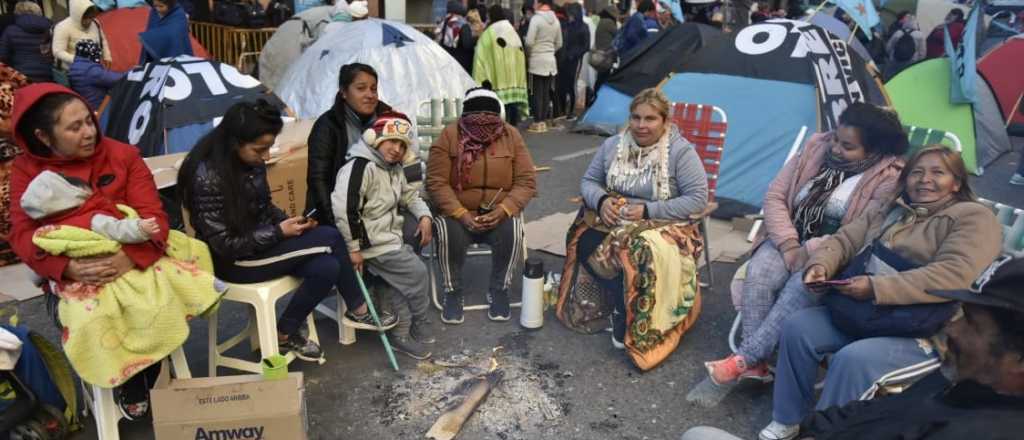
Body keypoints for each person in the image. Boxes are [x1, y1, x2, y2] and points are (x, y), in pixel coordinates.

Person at [757, 145, 1002, 440]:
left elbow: (955, 274)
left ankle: (827, 434)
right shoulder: (893, 206)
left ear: (957, 183)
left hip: (925, 330)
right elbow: (846, 238)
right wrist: (821, 264)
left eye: (938, 172)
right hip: (867, 313)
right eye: (917, 172)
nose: (925, 180)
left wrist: (875, 287)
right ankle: (788, 420)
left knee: (853, 360)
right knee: (798, 328)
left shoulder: (973, 218)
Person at [681, 256, 1024, 440]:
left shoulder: (983, 429)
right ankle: (786, 419)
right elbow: (868, 414)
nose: (952, 329)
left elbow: (946, 275)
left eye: (972, 325)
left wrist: (877, 285)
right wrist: (815, 429)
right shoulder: (961, 380)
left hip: (899, 314)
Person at [8, 84, 183, 419]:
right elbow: (22, 235)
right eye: (75, 128)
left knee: (154, 301)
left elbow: (154, 218)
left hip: (132, 256)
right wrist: (67, 268)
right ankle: (125, 373)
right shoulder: (26, 171)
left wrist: (129, 257)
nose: (89, 132)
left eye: (89, 121)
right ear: (44, 137)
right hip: (70, 271)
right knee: (92, 316)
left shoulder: (123, 155)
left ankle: (142, 371)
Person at [701, 103, 907, 387]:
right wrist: (788, 244)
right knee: (760, 274)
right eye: (835, 138)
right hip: (787, 236)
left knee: (799, 286)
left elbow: (860, 231)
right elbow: (775, 196)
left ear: (873, 151)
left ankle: (744, 359)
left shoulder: (889, 176)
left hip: (834, 256)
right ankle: (757, 363)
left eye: (847, 147)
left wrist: (809, 252)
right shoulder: (815, 148)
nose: (834, 148)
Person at [179, 100, 398, 365]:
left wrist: (290, 222)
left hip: (260, 243)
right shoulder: (206, 175)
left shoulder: (250, 161)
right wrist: (279, 233)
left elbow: (265, 207)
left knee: (326, 266)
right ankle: (359, 309)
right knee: (330, 237)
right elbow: (226, 244)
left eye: (269, 147)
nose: (267, 156)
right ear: (235, 142)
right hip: (234, 261)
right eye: (260, 149)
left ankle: (284, 333)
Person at [18, 167, 223, 387]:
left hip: (84, 288)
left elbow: (35, 271)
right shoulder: (94, 218)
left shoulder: (45, 234)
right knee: (159, 283)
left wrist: (55, 275)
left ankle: (131, 371)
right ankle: (143, 370)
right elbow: (121, 229)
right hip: (117, 277)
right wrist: (141, 229)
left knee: (95, 318)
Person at [558, 88, 707, 369]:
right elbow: (589, 181)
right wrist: (602, 202)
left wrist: (649, 210)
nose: (641, 125)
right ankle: (619, 301)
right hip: (616, 217)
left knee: (635, 250)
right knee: (586, 238)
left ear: (665, 121)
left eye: (650, 119)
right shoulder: (613, 145)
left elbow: (697, 198)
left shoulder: (679, 152)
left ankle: (628, 313)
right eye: (636, 117)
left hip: (663, 221)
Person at [426, 87, 537, 324]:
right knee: (446, 231)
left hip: (497, 213)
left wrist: (504, 209)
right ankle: (452, 291)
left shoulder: (511, 135)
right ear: (464, 116)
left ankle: (499, 289)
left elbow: (526, 181)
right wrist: (460, 213)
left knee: (513, 229)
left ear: (499, 116)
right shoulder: (449, 136)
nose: (483, 126)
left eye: (489, 118)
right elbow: (436, 183)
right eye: (476, 118)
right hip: (459, 213)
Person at [332, 112, 436, 360]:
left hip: (388, 240)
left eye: (402, 145)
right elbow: (344, 209)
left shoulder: (394, 168)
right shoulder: (359, 166)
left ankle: (401, 333)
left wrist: (425, 217)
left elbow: (410, 196)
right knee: (417, 273)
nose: (397, 149)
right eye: (392, 141)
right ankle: (419, 323)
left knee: (400, 280)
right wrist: (353, 248)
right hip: (370, 245)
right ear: (375, 138)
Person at [306, 63, 392, 227]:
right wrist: (338, 223)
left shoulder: (388, 120)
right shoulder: (328, 126)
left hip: (382, 209)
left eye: (373, 89)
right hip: (337, 213)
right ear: (344, 92)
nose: (370, 95)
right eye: (361, 88)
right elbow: (319, 180)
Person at [472, 5, 529, 126]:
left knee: (502, 107)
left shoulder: (489, 33)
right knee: (512, 104)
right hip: (514, 78)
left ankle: (503, 130)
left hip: (499, 80)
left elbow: (480, 56)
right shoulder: (512, 31)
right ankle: (513, 129)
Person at [524, 0, 562, 133]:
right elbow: (559, 43)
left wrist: (531, 54)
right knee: (545, 92)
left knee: (536, 92)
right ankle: (543, 121)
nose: (533, 4)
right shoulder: (556, 21)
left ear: (540, 3)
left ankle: (537, 122)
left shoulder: (536, 19)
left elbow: (529, 42)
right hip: (550, 60)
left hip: (537, 60)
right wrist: (550, 51)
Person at [0, 2, 52, 84]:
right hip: (49, 73)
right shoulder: (50, 27)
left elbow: (2, 56)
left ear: (17, 14)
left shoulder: (10, 30)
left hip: (21, 76)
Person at [52, 0, 111, 72]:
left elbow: (103, 40)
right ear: (77, 15)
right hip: (72, 71)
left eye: (91, 17)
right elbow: (57, 52)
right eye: (85, 18)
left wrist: (107, 56)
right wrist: (79, 61)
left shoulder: (95, 23)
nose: (89, 21)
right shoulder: (62, 27)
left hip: (94, 68)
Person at [554, 2, 590, 120]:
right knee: (561, 86)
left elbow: (586, 46)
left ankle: (571, 112)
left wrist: (574, 54)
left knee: (571, 85)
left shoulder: (583, 27)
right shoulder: (566, 25)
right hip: (562, 60)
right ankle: (562, 111)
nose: (570, 15)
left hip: (574, 60)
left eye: (571, 13)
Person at [68, 39, 122, 110]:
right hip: (98, 107)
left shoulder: (75, 65)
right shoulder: (91, 71)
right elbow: (115, 79)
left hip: (86, 105)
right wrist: (133, 71)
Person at [138, 0, 193, 64]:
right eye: (155, 6)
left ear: (170, 5)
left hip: (176, 52)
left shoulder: (178, 14)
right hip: (155, 57)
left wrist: (147, 37)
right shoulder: (153, 12)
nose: (158, 9)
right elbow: (150, 29)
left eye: (161, 6)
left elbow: (173, 34)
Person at [437, 1, 475, 75]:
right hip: (461, 63)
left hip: (446, 60)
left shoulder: (443, 21)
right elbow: (467, 45)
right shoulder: (462, 23)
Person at [883, 12, 925, 80]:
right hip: (911, 63)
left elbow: (888, 47)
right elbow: (922, 53)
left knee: (891, 79)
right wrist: (917, 61)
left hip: (895, 60)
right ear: (916, 24)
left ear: (905, 23)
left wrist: (891, 55)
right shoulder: (920, 35)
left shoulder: (898, 33)